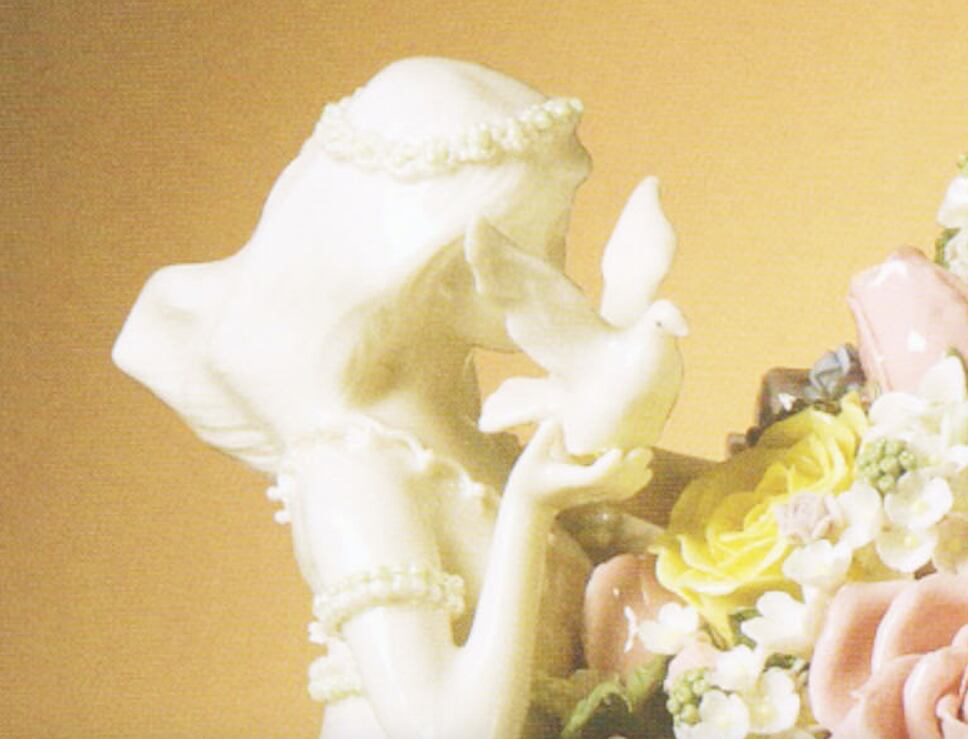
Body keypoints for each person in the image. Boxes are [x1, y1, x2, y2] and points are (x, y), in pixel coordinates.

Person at [113, 57, 671, 738]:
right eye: (548, 244)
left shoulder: (470, 439)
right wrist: (529, 510)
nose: (564, 281)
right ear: (445, 274)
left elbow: (653, 509)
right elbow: (445, 728)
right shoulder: (351, 470)